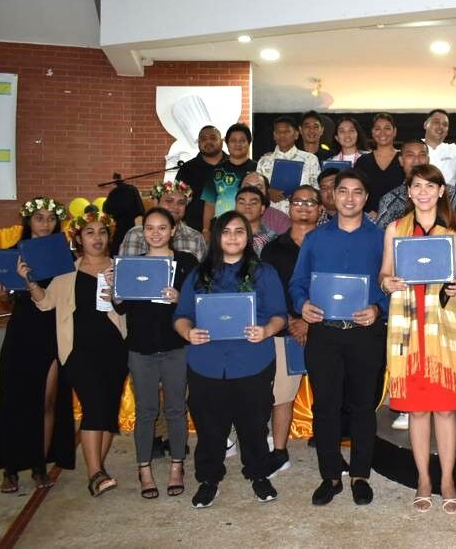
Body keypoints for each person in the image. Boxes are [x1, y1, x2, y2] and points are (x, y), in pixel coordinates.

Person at [379, 163, 456, 514]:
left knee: (446, 410)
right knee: (418, 410)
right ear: (409, 192)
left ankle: (447, 479)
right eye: (416, 186)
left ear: (441, 191)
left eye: (429, 186)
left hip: (444, 324)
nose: (422, 192)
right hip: (407, 327)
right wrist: (387, 283)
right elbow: (384, 274)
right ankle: (423, 479)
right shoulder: (394, 229)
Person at [173, 211, 288, 508]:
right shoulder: (200, 274)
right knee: (210, 427)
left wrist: (266, 331)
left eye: (239, 231)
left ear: (247, 237)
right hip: (206, 362)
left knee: (253, 425)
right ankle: (209, 480)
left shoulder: (263, 272)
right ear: (216, 236)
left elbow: (279, 314)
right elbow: (181, 315)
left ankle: (259, 475)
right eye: (226, 231)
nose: (233, 237)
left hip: (252, 360)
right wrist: (189, 333)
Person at [290, 169, 389, 506]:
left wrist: (378, 307)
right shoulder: (316, 238)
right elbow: (297, 283)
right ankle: (330, 475)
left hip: (365, 333)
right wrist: (302, 305)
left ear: (365, 198)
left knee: (363, 406)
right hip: (325, 335)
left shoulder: (381, 238)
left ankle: (360, 474)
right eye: (342, 191)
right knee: (326, 407)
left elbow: (392, 283)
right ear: (332, 197)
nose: (349, 198)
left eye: (357, 192)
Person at [27, 209, 127, 497]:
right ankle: (95, 473)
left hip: (115, 349)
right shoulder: (66, 272)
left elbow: (131, 308)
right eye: (90, 232)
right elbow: (45, 304)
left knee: (108, 412)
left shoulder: (121, 267)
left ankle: (100, 469)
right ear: (79, 238)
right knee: (95, 407)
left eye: (102, 232)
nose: (97, 238)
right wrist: (30, 282)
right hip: (78, 352)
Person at [109, 207, 196, 499]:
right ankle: (144, 469)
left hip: (176, 347)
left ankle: (176, 466)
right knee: (146, 411)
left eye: (162, 227)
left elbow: (197, 304)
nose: (155, 233)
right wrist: (116, 291)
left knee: (175, 409)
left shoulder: (186, 262)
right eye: (149, 228)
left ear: (173, 231)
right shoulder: (130, 264)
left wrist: (179, 297)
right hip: (141, 347)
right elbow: (121, 307)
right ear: (142, 232)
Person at [0, 197, 75, 493]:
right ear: (28, 221)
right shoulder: (13, 255)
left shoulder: (64, 255)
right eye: (39, 218)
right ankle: (10, 468)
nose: (45, 223)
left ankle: (40, 465)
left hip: (53, 331)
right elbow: (5, 299)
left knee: (48, 401)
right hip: (22, 332)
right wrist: (1, 293)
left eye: (50, 218)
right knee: (15, 400)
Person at [260, 185, 322, 477]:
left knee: (329, 394)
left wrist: (309, 320)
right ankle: (280, 450)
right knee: (281, 395)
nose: (304, 207)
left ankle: (328, 448)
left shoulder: (329, 242)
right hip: (284, 329)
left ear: (320, 209)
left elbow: (333, 286)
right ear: (290, 207)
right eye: (298, 202)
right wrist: (290, 320)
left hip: (323, 327)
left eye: (311, 202)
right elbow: (266, 290)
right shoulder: (273, 247)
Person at [376, 140, 456, 229]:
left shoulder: (450, 193)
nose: (417, 160)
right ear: (401, 160)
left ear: (428, 159)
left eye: (422, 155)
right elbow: (380, 237)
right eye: (410, 155)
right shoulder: (389, 200)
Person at [120, 180, 207, 261]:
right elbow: (126, 271)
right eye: (169, 201)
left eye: (181, 203)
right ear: (156, 203)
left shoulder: (195, 237)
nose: (175, 207)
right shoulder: (136, 234)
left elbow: (202, 274)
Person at [256, 116, 322, 215]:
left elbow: (317, 190)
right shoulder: (264, 161)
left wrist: (300, 195)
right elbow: (255, 191)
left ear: (296, 134)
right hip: (271, 217)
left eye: (286, 132)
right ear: (274, 135)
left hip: (301, 214)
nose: (282, 135)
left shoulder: (310, 159)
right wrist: (267, 192)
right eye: (278, 132)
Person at [201, 122, 258, 234]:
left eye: (242, 140)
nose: (238, 144)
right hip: (221, 228)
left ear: (249, 143)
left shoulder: (258, 168)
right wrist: (206, 230)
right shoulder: (215, 170)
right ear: (226, 143)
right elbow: (209, 203)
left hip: (251, 229)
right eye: (233, 141)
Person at [176, 125, 227, 232]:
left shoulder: (232, 165)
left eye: (213, 138)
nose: (208, 142)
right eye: (203, 139)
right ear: (198, 143)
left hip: (230, 229)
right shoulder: (187, 169)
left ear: (222, 142)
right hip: (194, 230)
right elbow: (178, 199)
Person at [354, 113, 405, 215]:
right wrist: (368, 211)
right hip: (369, 219)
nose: (382, 133)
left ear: (394, 132)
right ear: (372, 132)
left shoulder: (403, 158)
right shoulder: (363, 161)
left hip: (400, 219)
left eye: (387, 128)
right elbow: (357, 190)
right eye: (377, 129)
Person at [423, 109, 456, 186]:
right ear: (425, 125)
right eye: (436, 122)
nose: (441, 126)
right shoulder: (414, 147)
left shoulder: (455, 150)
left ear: (447, 131)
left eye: (445, 124)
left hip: (448, 197)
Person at [240, 171, 291, 237]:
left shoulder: (281, 221)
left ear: (266, 193)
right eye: (247, 187)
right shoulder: (228, 219)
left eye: (259, 187)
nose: (253, 191)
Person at [234, 185, 277, 255]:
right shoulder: (224, 236)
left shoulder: (273, 239)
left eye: (253, 203)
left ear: (262, 209)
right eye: (242, 203)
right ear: (235, 207)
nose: (247, 206)